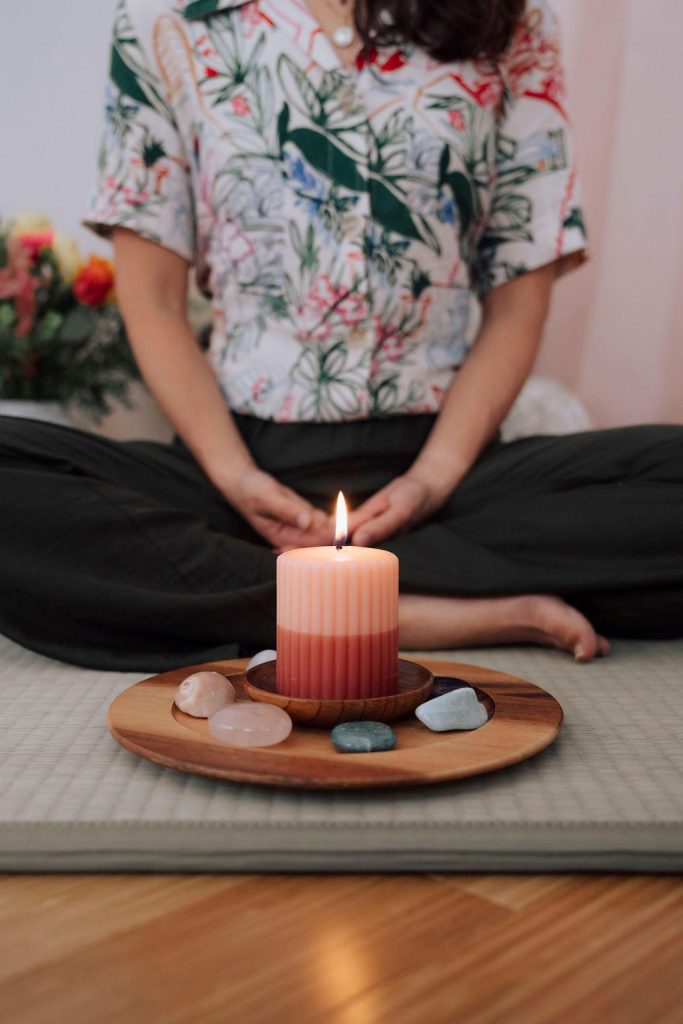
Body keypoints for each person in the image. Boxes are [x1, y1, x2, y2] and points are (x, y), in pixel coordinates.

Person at [1, 0, 681, 672]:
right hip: (237, 478)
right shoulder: (166, 25)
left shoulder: (511, 24)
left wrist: (429, 480)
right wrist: (236, 477)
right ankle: (415, 611)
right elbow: (152, 302)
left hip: (444, 482)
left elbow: (515, 311)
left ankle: (267, 594)